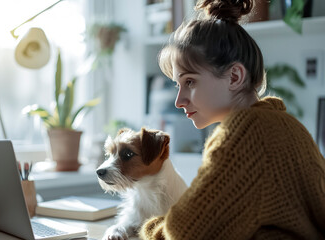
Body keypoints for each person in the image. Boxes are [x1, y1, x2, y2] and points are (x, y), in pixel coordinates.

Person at [139, 0, 325, 239]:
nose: (179, 100)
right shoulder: (283, 125)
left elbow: (185, 233)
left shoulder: (246, 133)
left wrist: (147, 227)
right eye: (178, 85)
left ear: (234, 77)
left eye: (190, 82)